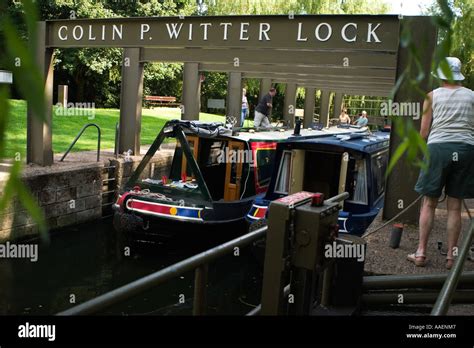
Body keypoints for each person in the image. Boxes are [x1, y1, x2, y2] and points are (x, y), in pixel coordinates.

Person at [408, 57, 474, 270]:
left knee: (429, 203)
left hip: (438, 150)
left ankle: (420, 253)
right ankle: (452, 258)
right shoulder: (472, 97)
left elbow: (424, 133)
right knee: (454, 207)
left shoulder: (431, 96)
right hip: (465, 150)